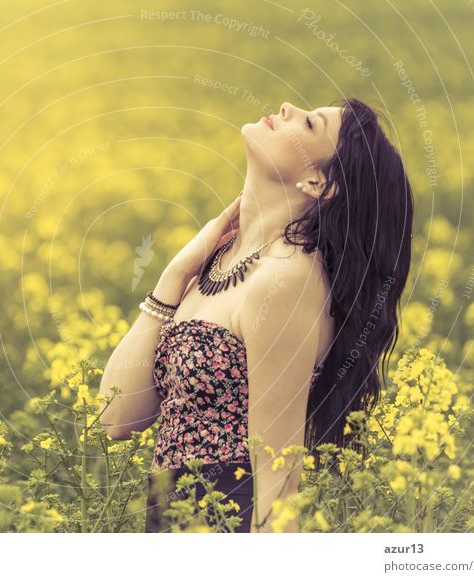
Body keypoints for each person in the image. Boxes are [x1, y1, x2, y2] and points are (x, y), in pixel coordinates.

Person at [99, 97, 415, 532]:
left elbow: (278, 472)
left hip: (227, 523)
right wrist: (174, 276)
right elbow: (117, 418)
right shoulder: (215, 264)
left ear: (317, 183)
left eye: (308, 124)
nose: (286, 107)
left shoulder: (286, 279)